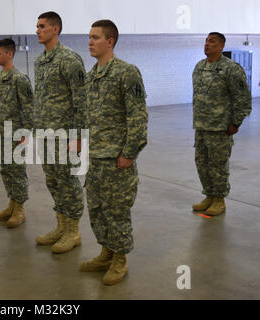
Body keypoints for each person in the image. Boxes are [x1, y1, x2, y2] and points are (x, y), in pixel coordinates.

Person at [80, 20, 148, 285]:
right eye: (89, 37)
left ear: (110, 42)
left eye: (95, 37)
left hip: (117, 159)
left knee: (117, 210)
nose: (90, 42)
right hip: (96, 156)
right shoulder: (92, 75)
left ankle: (120, 259)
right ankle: (106, 252)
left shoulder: (126, 73)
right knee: (96, 209)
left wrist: (130, 153)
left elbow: (138, 117)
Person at [33, 11, 86, 254]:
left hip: (65, 136)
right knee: (52, 181)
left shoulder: (69, 59)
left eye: (42, 26)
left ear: (55, 29)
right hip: (45, 134)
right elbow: (39, 97)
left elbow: (82, 100)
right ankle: (61, 226)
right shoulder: (39, 61)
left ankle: (73, 232)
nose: (37, 30)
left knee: (67, 182)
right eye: (37, 26)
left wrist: (78, 136)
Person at [192, 32, 251, 216]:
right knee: (202, 163)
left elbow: (242, 98)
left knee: (218, 165)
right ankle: (209, 195)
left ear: (222, 46)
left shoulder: (231, 69)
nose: (207, 44)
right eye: (207, 41)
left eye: (212, 41)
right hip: (201, 125)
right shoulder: (199, 67)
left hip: (220, 127)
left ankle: (219, 200)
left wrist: (236, 121)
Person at [0, 38, 34, 228]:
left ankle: (20, 209)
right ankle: (11, 203)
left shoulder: (20, 79)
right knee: (6, 170)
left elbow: (29, 108)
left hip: (15, 134)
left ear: (9, 54)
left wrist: (25, 133)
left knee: (17, 171)